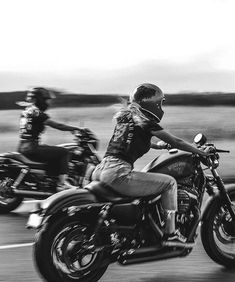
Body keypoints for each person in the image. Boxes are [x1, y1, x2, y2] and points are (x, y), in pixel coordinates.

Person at [92, 83, 208, 248]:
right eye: (160, 103)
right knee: (169, 183)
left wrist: (159, 146)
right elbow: (177, 141)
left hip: (101, 170)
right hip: (118, 172)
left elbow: (132, 140)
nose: (161, 107)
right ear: (152, 104)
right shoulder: (146, 121)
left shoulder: (126, 118)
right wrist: (200, 152)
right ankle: (170, 233)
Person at [17, 87, 79, 191]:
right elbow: (57, 125)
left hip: (22, 146)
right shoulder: (38, 113)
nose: (47, 102)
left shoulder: (26, 112)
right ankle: (62, 184)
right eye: (45, 100)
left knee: (51, 151)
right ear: (39, 99)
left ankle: (50, 179)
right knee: (64, 152)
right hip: (32, 148)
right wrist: (74, 129)